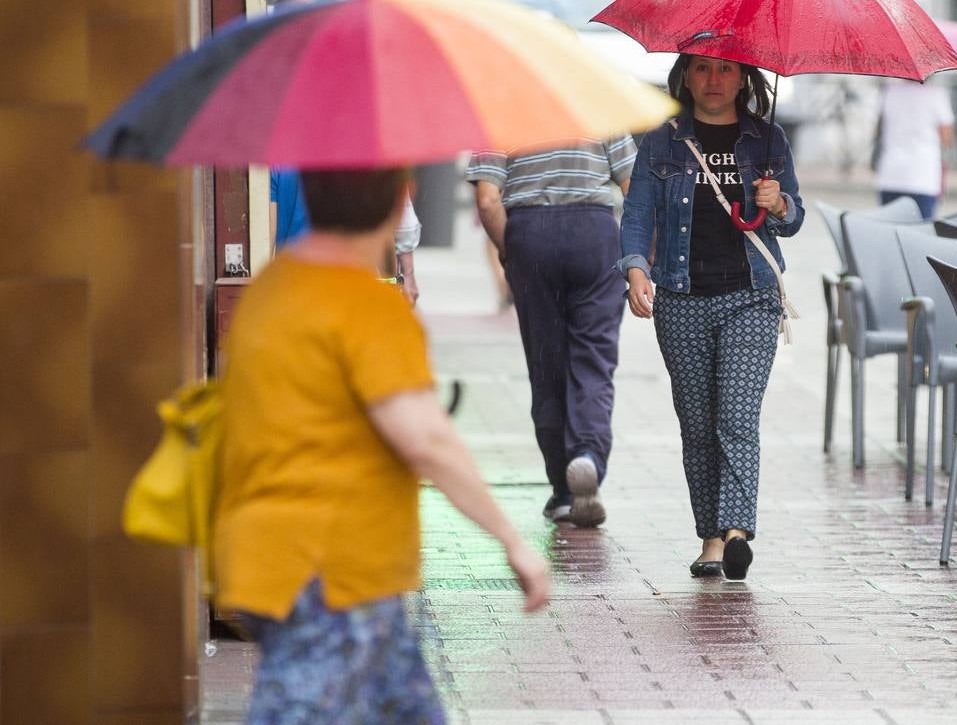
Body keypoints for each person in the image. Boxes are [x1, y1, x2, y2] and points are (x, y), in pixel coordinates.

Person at [214, 167, 549, 722]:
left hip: (270, 554)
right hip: (333, 569)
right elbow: (425, 438)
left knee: (405, 708)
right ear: (402, 201)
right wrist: (511, 538)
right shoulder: (369, 308)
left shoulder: (269, 291)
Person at [618, 54, 804, 581]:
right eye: (701, 69)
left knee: (737, 418)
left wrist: (780, 203)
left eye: (725, 69)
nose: (713, 80)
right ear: (685, 77)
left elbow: (794, 221)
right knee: (698, 426)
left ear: (744, 77)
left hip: (751, 296)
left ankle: (737, 531)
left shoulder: (768, 141)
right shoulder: (663, 140)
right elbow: (638, 214)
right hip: (680, 298)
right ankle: (711, 539)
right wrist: (635, 267)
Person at [467, 133, 637, 527]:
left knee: (546, 365)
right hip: (595, 234)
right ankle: (588, 455)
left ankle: (562, 490)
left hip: (530, 231)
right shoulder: (598, 99)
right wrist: (640, 256)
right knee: (593, 358)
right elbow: (634, 187)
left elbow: (488, 200)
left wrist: (511, 253)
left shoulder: (500, 109)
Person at [269, 169, 422, 305]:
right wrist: (403, 277)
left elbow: (270, 233)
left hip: (292, 284)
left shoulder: (277, 168)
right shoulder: (353, 164)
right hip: (352, 279)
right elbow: (393, 223)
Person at [873, 80, 955, 219]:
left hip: (890, 173)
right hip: (922, 176)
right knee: (921, 233)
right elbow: (947, 138)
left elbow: (879, 130)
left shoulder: (890, 91)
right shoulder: (936, 93)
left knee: (890, 232)